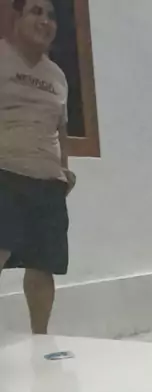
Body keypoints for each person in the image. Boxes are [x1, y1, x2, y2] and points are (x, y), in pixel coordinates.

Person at [0, 0, 75, 335]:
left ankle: (40, 340)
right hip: (5, 173)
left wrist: (65, 170)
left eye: (51, 15)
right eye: (36, 11)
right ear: (17, 17)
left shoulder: (57, 76)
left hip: (48, 182)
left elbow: (61, 129)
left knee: (43, 265)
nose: (45, 20)